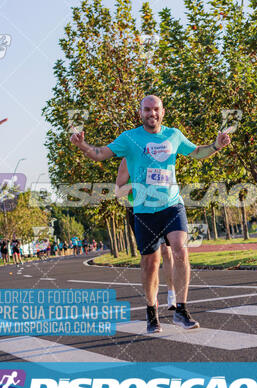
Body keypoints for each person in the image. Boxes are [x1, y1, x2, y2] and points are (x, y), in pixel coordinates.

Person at [71, 95, 230, 333]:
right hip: (144, 211)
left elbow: (196, 152)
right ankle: (151, 311)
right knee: (149, 263)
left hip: (172, 205)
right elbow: (101, 154)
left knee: (180, 248)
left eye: (156, 109)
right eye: (147, 110)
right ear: (141, 112)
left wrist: (216, 145)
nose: (152, 113)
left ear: (162, 112)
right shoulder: (129, 139)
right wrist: (83, 146)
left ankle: (181, 309)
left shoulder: (174, 135)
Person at [116, 157, 176, 310]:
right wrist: (135, 186)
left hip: (162, 205)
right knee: (149, 258)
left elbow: (168, 179)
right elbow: (118, 192)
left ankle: (172, 294)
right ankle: (152, 298)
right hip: (138, 210)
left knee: (166, 251)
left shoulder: (162, 155)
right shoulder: (128, 159)